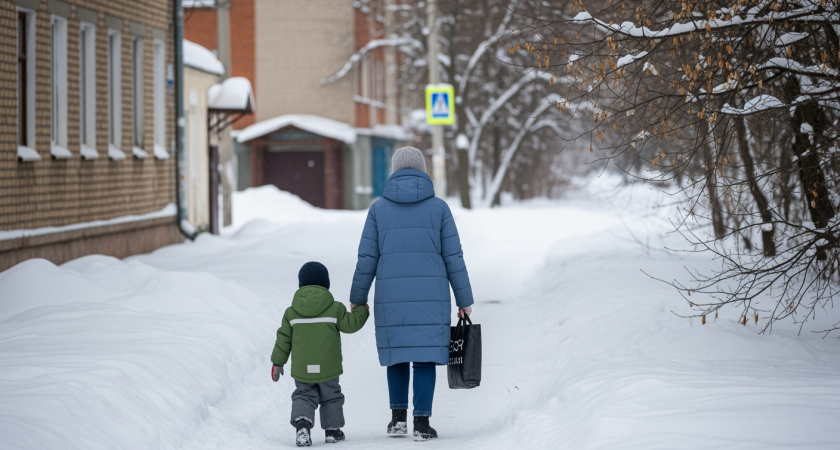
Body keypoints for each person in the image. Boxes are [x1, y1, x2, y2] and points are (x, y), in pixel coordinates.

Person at [349, 146, 474, 441]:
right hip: (431, 297)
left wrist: (358, 296)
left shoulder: (378, 210)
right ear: (423, 171)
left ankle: (396, 421)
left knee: (397, 356)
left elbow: (366, 258)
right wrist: (464, 300)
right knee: (425, 357)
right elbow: (453, 257)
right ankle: (421, 423)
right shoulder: (440, 209)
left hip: (391, 297)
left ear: (395, 172)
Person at [271, 262, 370, 447]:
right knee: (331, 395)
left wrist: (278, 363)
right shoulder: (336, 308)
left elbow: (283, 339)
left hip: (302, 368)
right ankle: (332, 431)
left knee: (303, 395)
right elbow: (352, 324)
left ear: (301, 284)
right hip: (328, 367)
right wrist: (362, 310)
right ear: (326, 284)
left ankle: (302, 426)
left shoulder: (291, 313)